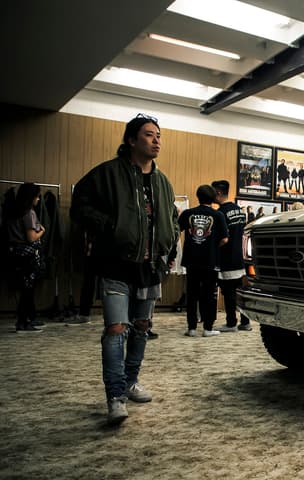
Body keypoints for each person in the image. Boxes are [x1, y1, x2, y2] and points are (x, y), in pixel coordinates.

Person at [70, 113, 179, 425]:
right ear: (131, 140)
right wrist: (110, 226)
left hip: (149, 269)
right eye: (148, 134)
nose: (156, 140)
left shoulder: (162, 181)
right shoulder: (108, 174)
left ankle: (131, 381)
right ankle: (115, 395)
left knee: (142, 328)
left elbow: (171, 217)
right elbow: (81, 204)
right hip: (116, 265)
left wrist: (167, 248)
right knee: (116, 329)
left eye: (158, 135)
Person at [179, 184, 229, 338]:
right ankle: (208, 328)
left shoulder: (188, 213)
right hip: (210, 261)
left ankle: (192, 328)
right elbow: (225, 239)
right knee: (209, 295)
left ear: (197, 196)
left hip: (191, 259)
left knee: (192, 294)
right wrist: (212, 246)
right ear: (213, 198)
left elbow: (176, 231)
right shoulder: (218, 215)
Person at [211, 179, 252, 332]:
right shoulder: (240, 211)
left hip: (226, 258)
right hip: (239, 258)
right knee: (240, 292)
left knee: (229, 293)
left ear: (218, 192)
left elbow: (221, 238)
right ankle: (245, 322)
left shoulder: (220, 213)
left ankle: (231, 323)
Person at [6, 182, 46, 332]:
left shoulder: (11, 211)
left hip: (14, 253)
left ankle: (26, 319)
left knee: (23, 289)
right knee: (27, 290)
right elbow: (31, 237)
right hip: (27, 256)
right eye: (37, 196)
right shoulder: (29, 213)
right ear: (31, 197)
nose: (39, 199)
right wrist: (42, 230)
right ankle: (23, 322)